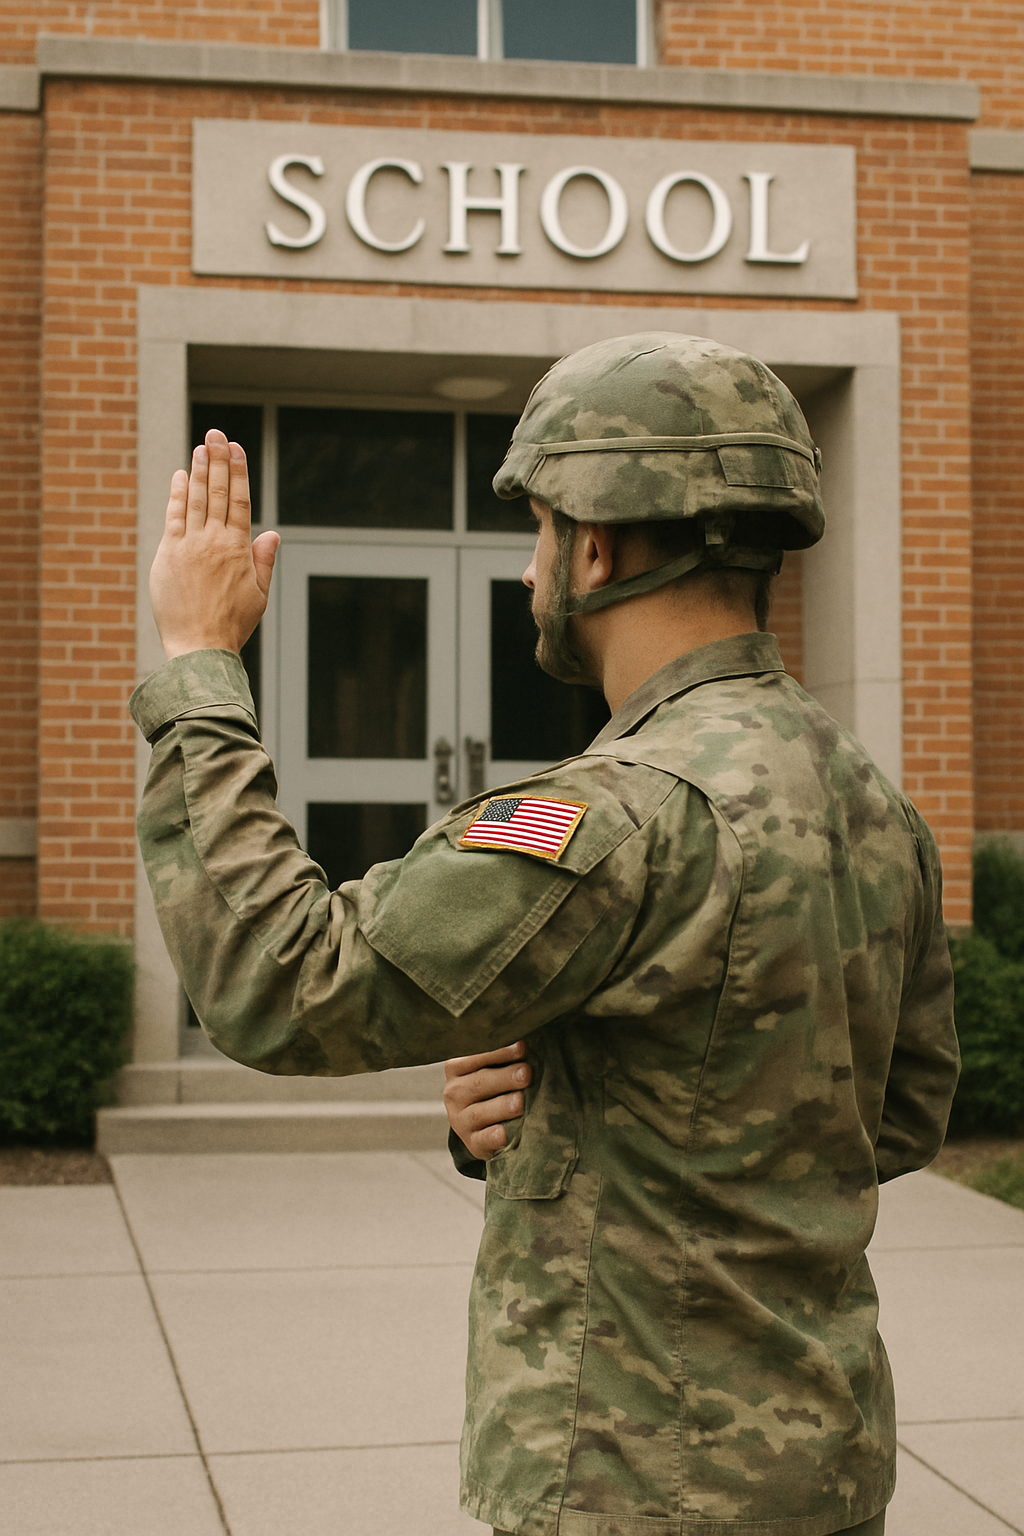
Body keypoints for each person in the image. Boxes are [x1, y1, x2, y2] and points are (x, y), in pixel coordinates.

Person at [131, 332, 959, 1536]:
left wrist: (199, 663)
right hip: (819, 1474)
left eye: (538, 534)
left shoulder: (614, 810)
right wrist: (555, 1110)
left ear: (599, 541)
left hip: (635, 1483)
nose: (528, 573)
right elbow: (895, 1110)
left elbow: (279, 982)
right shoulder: (866, 797)